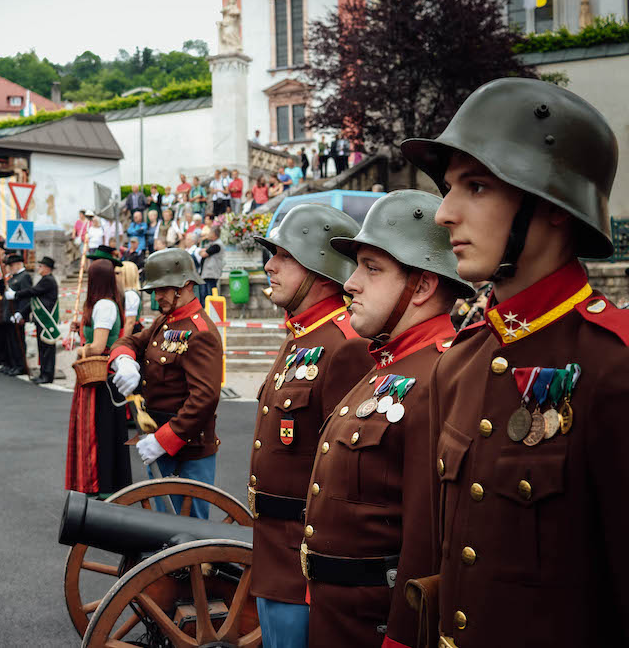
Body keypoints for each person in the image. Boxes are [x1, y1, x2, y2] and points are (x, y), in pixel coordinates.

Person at [401, 77, 628, 647]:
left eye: (475, 187)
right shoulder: (461, 360)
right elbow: (433, 550)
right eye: (450, 188)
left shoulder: (613, 369)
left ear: (551, 205)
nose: (444, 214)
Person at [301, 190, 474, 648]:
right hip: (338, 615)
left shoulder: (438, 374)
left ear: (422, 286)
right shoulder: (388, 363)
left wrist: (402, 637)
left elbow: (426, 538)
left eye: (372, 268)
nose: (351, 283)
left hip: (374, 628)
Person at [247, 204, 373, 648]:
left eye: (284, 255)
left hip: (302, 564)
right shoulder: (303, 335)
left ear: (320, 267)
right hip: (274, 553)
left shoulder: (344, 347)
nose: (269, 265)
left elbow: (344, 477)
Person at [110, 248, 222, 518]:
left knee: (189, 535)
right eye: (155, 290)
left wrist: (164, 440)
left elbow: (204, 398)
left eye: (163, 289)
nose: (157, 296)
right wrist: (124, 361)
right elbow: (130, 341)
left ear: (185, 285)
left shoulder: (200, 332)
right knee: (163, 527)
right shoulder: (166, 320)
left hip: (187, 448)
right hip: (156, 439)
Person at [65, 259, 128, 498]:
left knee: (99, 432)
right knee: (103, 431)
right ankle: (104, 484)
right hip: (101, 374)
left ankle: (102, 485)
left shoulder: (104, 305)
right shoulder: (105, 304)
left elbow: (99, 345)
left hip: (101, 375)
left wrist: (82, 350)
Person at [9, 256, 59, 384]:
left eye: (41, 266)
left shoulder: (48, 280)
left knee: (47, 349)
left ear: (47, 268)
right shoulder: (44, 279)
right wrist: (21, 313)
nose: (38, 268)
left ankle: (47, 375)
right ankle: (43, 373)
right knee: (42, 348)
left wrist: (16, 294)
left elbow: (33, 291)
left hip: (46, 320)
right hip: (41, 319)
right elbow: (34, 300)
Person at [1, 254, 32, 376]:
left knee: (17, 343)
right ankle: (13, 364)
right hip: (9, 314)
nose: (10, 268)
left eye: (12, 265)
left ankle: (20, 366)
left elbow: (27, 298)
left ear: (19, 264)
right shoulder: (14, 277)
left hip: (17, 314)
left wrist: (21, 313)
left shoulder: (24, 277)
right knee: (11, 342)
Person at [198, 226, 225, 305]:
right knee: (204, 294)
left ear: (214, 234)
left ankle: (212, 309)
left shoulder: (217, 245)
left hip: (212, 273)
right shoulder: (212, 244)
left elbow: (203, 254)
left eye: (210, 233)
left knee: (211, 293)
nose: (208, 234)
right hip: (207, 273)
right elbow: (201, 252)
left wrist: (203, 251)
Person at [116, 261, 142, 334]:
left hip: (128, 333)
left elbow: (130, 322)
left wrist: (123, 341)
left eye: (118, 273)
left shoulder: (130, 295)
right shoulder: (128, 293)